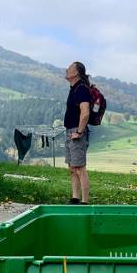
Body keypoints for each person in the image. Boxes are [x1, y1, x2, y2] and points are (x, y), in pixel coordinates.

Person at [64, 61, 92, 204]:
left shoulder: (81, 89)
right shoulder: (74, 88)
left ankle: (85, 202)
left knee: (80, 168)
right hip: (70, 132)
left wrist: (79, 132)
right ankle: (75, 198)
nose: (66, 70)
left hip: (77, 133)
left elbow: (85, 113)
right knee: (73, 168)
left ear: (76, 73)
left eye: (69, 68)